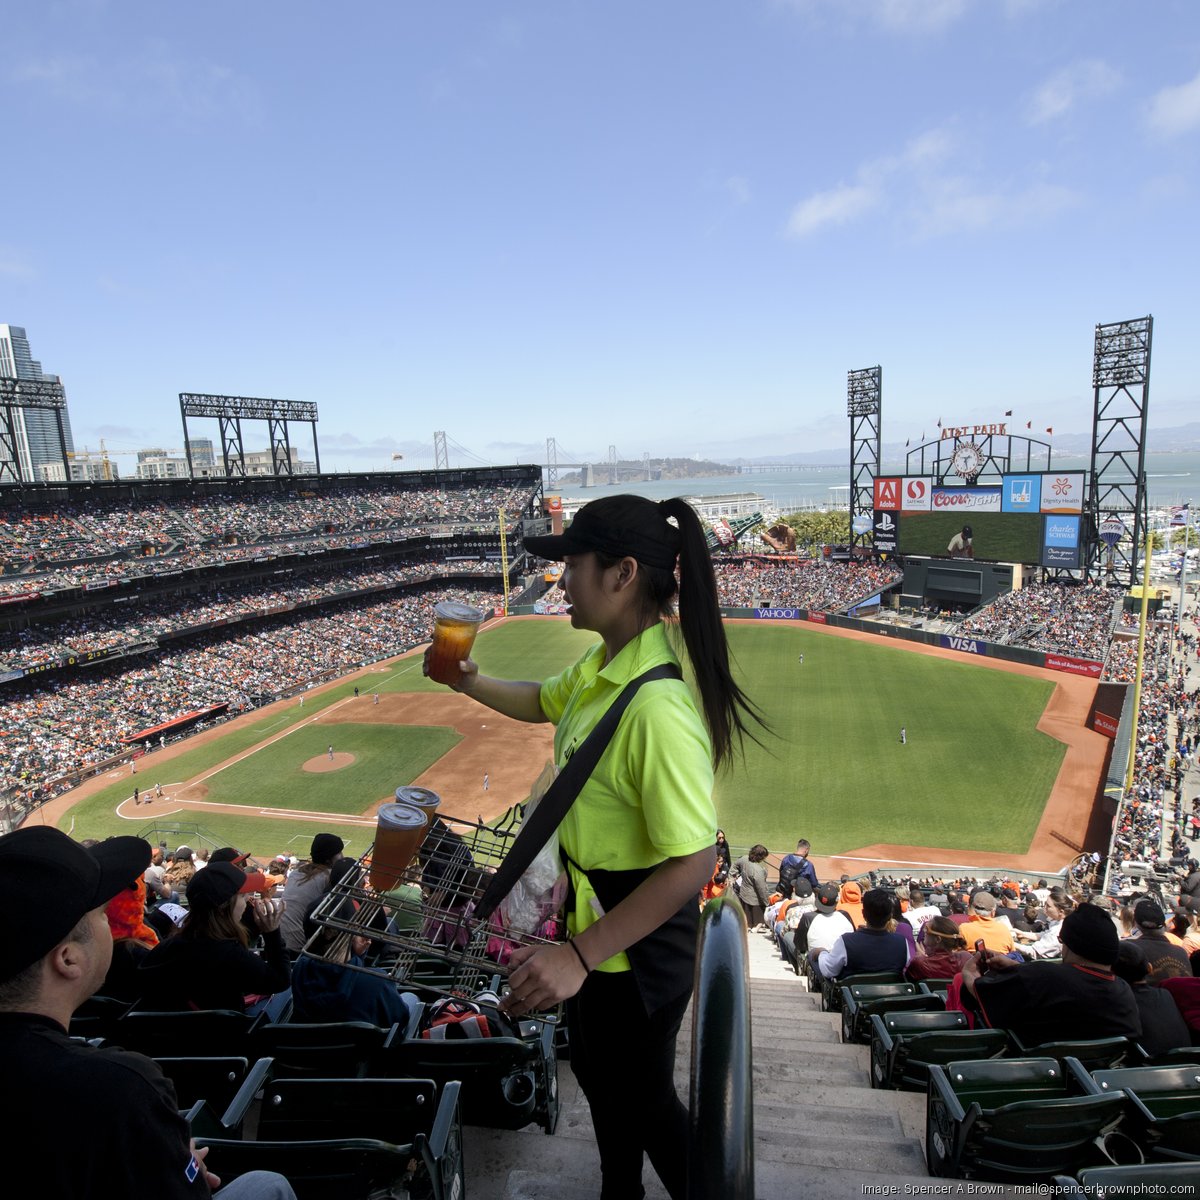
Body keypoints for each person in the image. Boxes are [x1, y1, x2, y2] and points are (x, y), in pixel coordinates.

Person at [424, 492, 762, 1200]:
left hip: (630, 955)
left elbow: (694, 862)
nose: (560, 581)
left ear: (622, 573)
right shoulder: (605, 666)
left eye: (572, 565)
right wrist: (469, 680)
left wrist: (579, 955)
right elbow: (543, 700)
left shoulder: (656, 712)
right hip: (595, 938)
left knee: (644, 1102)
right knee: (610, 1091)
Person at [0, 826, 294, 1199]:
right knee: (270, 1183)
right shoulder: (121, 1088)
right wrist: (171, 1159)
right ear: (68, 959)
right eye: (102, 914)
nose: (113, 926)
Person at [961, 903, 1140, 1045]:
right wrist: (1018, 967)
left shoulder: (1041, 976)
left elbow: (979, 995)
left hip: (1034, 1078)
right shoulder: (1124, 990)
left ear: (1070, 945)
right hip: (1100, 1083)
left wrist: (969, 974)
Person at [138, 863, 291, 1016]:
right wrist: (272, 933)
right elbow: (281, 980)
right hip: (220, 1033)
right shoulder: (230, 955)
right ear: (224, 906)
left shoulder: (168, 946)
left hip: (168, 1033)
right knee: (289, 989)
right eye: (243, 896)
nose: (247, 901)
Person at [816, 887, 911, 981]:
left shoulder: (846, 941)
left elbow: (828, 971)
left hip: (852, 995)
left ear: (863, 914)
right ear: (890, 916)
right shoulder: (902, 942)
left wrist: (822, 953)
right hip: (893, 995)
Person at [280, 833, 345, 954]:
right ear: (328, 859)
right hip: (298, 950)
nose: (342, 857)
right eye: (339, 853)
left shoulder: (296, 873)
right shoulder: (328, 878)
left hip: (278, 943)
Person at [730, 844, 772, 929]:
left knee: (745, 922)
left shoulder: (744, 859)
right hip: (755, 901)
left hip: (743, 894)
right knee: (756, 924)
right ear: (760, 857)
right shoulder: (758, 871)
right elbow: (761, 889)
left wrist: (731, 876)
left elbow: (735, 865)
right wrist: (767, 903)